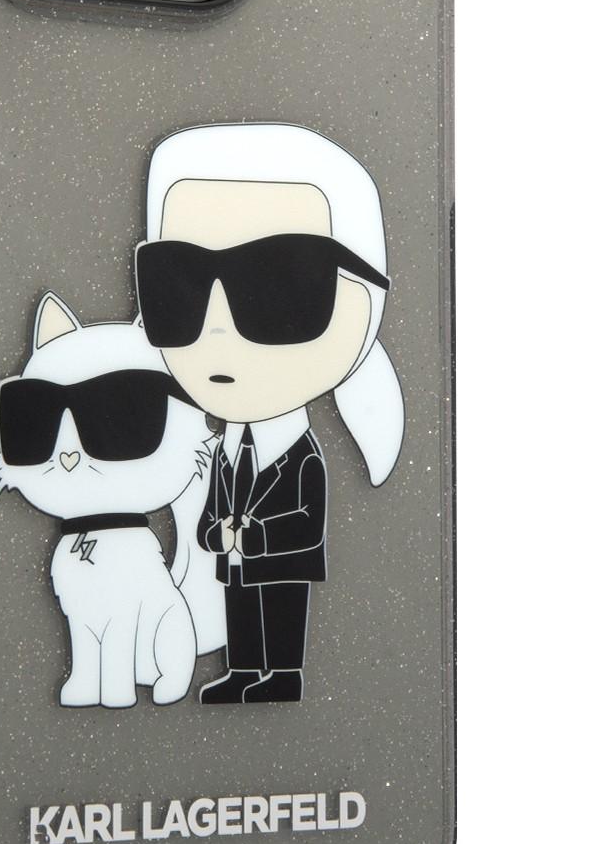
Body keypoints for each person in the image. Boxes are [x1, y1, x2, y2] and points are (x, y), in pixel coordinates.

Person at [135, 123, 405, 703]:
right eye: (176, 283)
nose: (218, 325)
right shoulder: (227, 449)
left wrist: (253, 534)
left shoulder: (301, 456)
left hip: (280, 561)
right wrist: (215, 532)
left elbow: (308, 517)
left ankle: (280, 675)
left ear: (365, 301)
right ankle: (242, 670)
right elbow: (213, 504)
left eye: (281, 287)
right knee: (240, 612)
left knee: (279, 614)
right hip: (235, 560)